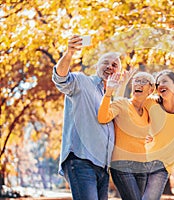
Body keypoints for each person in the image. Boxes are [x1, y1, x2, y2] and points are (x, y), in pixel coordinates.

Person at [52, 35, 121, 200]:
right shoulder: (82, 82)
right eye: (106, 62)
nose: (110, 67)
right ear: (97, 66)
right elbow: (60, 78)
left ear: (119, 72)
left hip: (103, 169)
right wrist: (69, 53)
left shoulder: (111, 101)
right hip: (81, 160)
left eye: (115, 65)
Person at [98, 71, 155, 200]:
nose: (138, 84)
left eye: (143, 81)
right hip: (121, 164)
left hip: (142, 166)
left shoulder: (148, 111)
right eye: (136, 80)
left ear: (151, 90)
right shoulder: (122, 104)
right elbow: (102, 117)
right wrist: (108, 94)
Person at [143, 70, 174, 200]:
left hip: (163, 165)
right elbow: (128, 111)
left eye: (165, 81)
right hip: (141, 160)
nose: (160, 85)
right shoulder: (150, 102)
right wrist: (139, 133)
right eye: (158, 83)